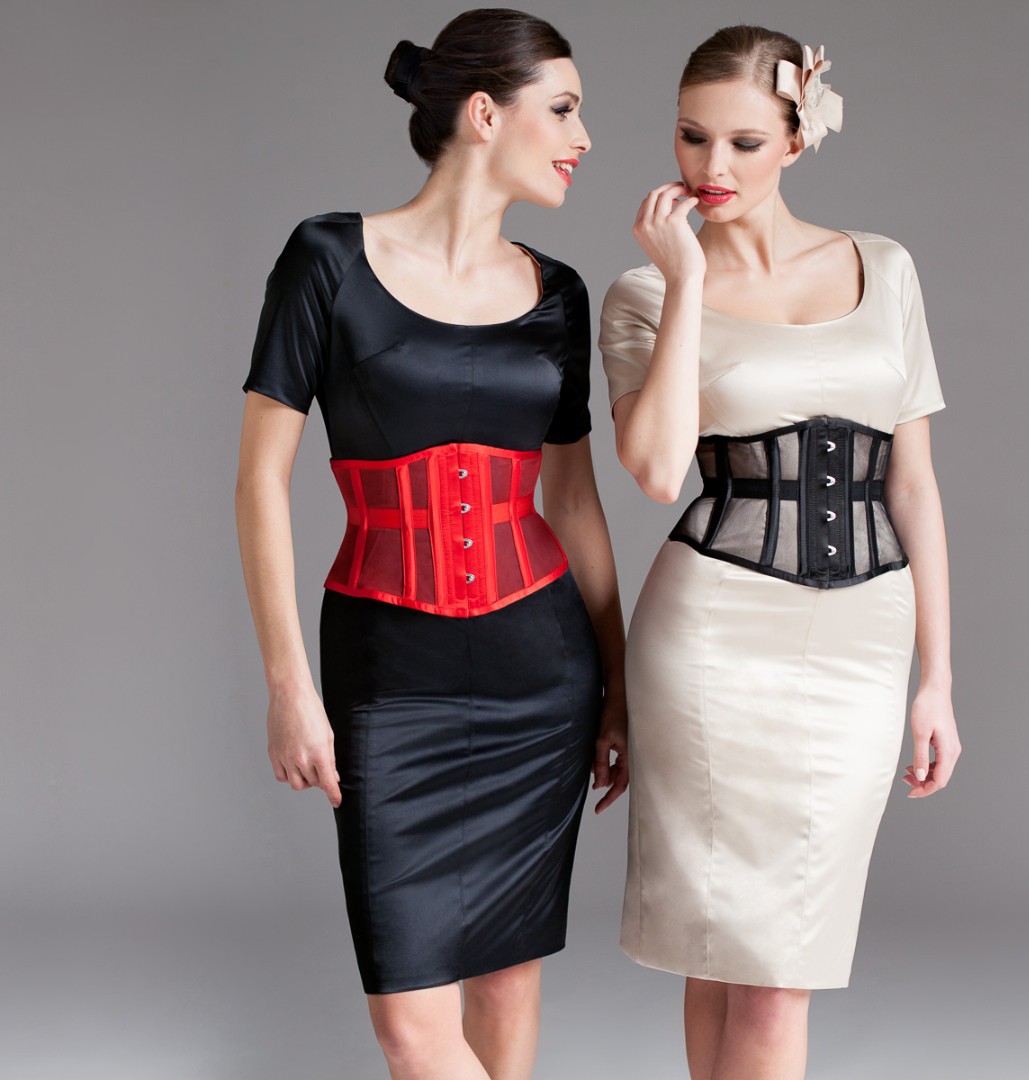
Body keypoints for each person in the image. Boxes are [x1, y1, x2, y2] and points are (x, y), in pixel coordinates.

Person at [235, 10, 627, 1079]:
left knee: (506, 985)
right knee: (412, 1025)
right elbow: (261, 482)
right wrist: (288, 685)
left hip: (541, 676)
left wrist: (620, 686)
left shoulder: (558, 294)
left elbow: (574, 503)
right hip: (387, 672)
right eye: (564, 110)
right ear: (484, 113)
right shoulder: (326, 258)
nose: (584, 136)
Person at [599, 25, 960, 1080]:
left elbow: (913, 485)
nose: (712, 166)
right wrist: (683, 282)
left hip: (861, 645)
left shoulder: (884, 267)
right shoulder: (644, 292)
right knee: (725, 954)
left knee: (776, 963)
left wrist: (937, 680)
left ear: (798, 141)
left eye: (745, 143)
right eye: (692, 136)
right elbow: (655, 471)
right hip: (712, 640)